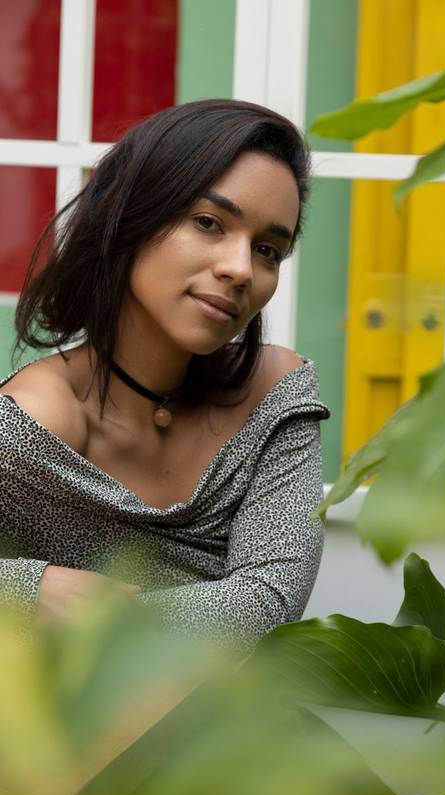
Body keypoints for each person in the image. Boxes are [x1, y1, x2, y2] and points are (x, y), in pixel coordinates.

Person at [0, 99, 330, 654]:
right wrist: (32, 590)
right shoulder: (34, 421)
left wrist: (90, 608)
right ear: (131, 217)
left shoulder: (274, 392)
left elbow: (266, 605)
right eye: (208, 223)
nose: (240, 268)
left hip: (250, 731)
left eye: (268, 249)